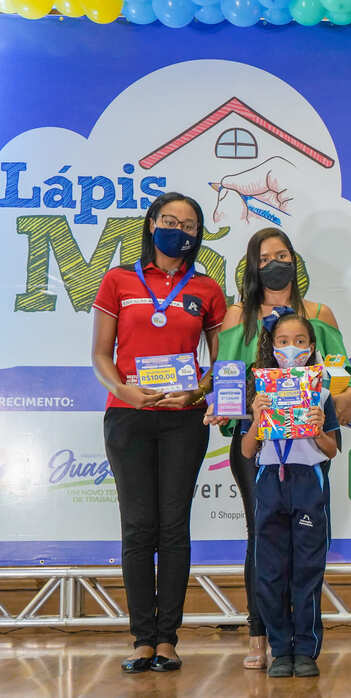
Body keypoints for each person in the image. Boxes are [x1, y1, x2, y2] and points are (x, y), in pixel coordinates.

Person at [207, 227, 351, 670]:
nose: (274, 263)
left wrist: (333, 406)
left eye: (282, 254)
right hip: (259, 447)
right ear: (252, 267)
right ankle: (262, 637)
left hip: (309, 449)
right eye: (264, 257)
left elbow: (344, 381)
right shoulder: (239, 317)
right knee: (262, 542)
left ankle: (303, 643)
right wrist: (226, 408)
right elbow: (227, 378)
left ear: (295, 261)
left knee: (305, 547)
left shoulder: (320, 314)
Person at [91, 192, 226, 673]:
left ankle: (167, 639)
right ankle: (140, 639)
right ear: (151, 225)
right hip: (127, 414)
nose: (180, 230)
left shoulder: (208, 290)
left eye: (189, 225)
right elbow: (101, 356)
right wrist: (125, 391)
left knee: (173, 526)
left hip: (183, 417)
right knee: (137, 526)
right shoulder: (118, 280)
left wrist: (197, 395)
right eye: (170, 221)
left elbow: (222, 359)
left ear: (198, 234)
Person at [240, 310, 342, 679]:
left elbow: (331, 449)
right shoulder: (260, 390)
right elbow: (248, 451)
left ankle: (306, 649)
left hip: (308, 481)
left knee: (307, 569)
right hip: (270, 481)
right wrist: (256, 418)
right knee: (269, 571)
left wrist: (317, 429)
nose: (291, 349)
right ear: (272, 347)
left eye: (300, 342)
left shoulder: (323, 390)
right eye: (283, 342)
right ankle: (280, 649)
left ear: (311, 347)